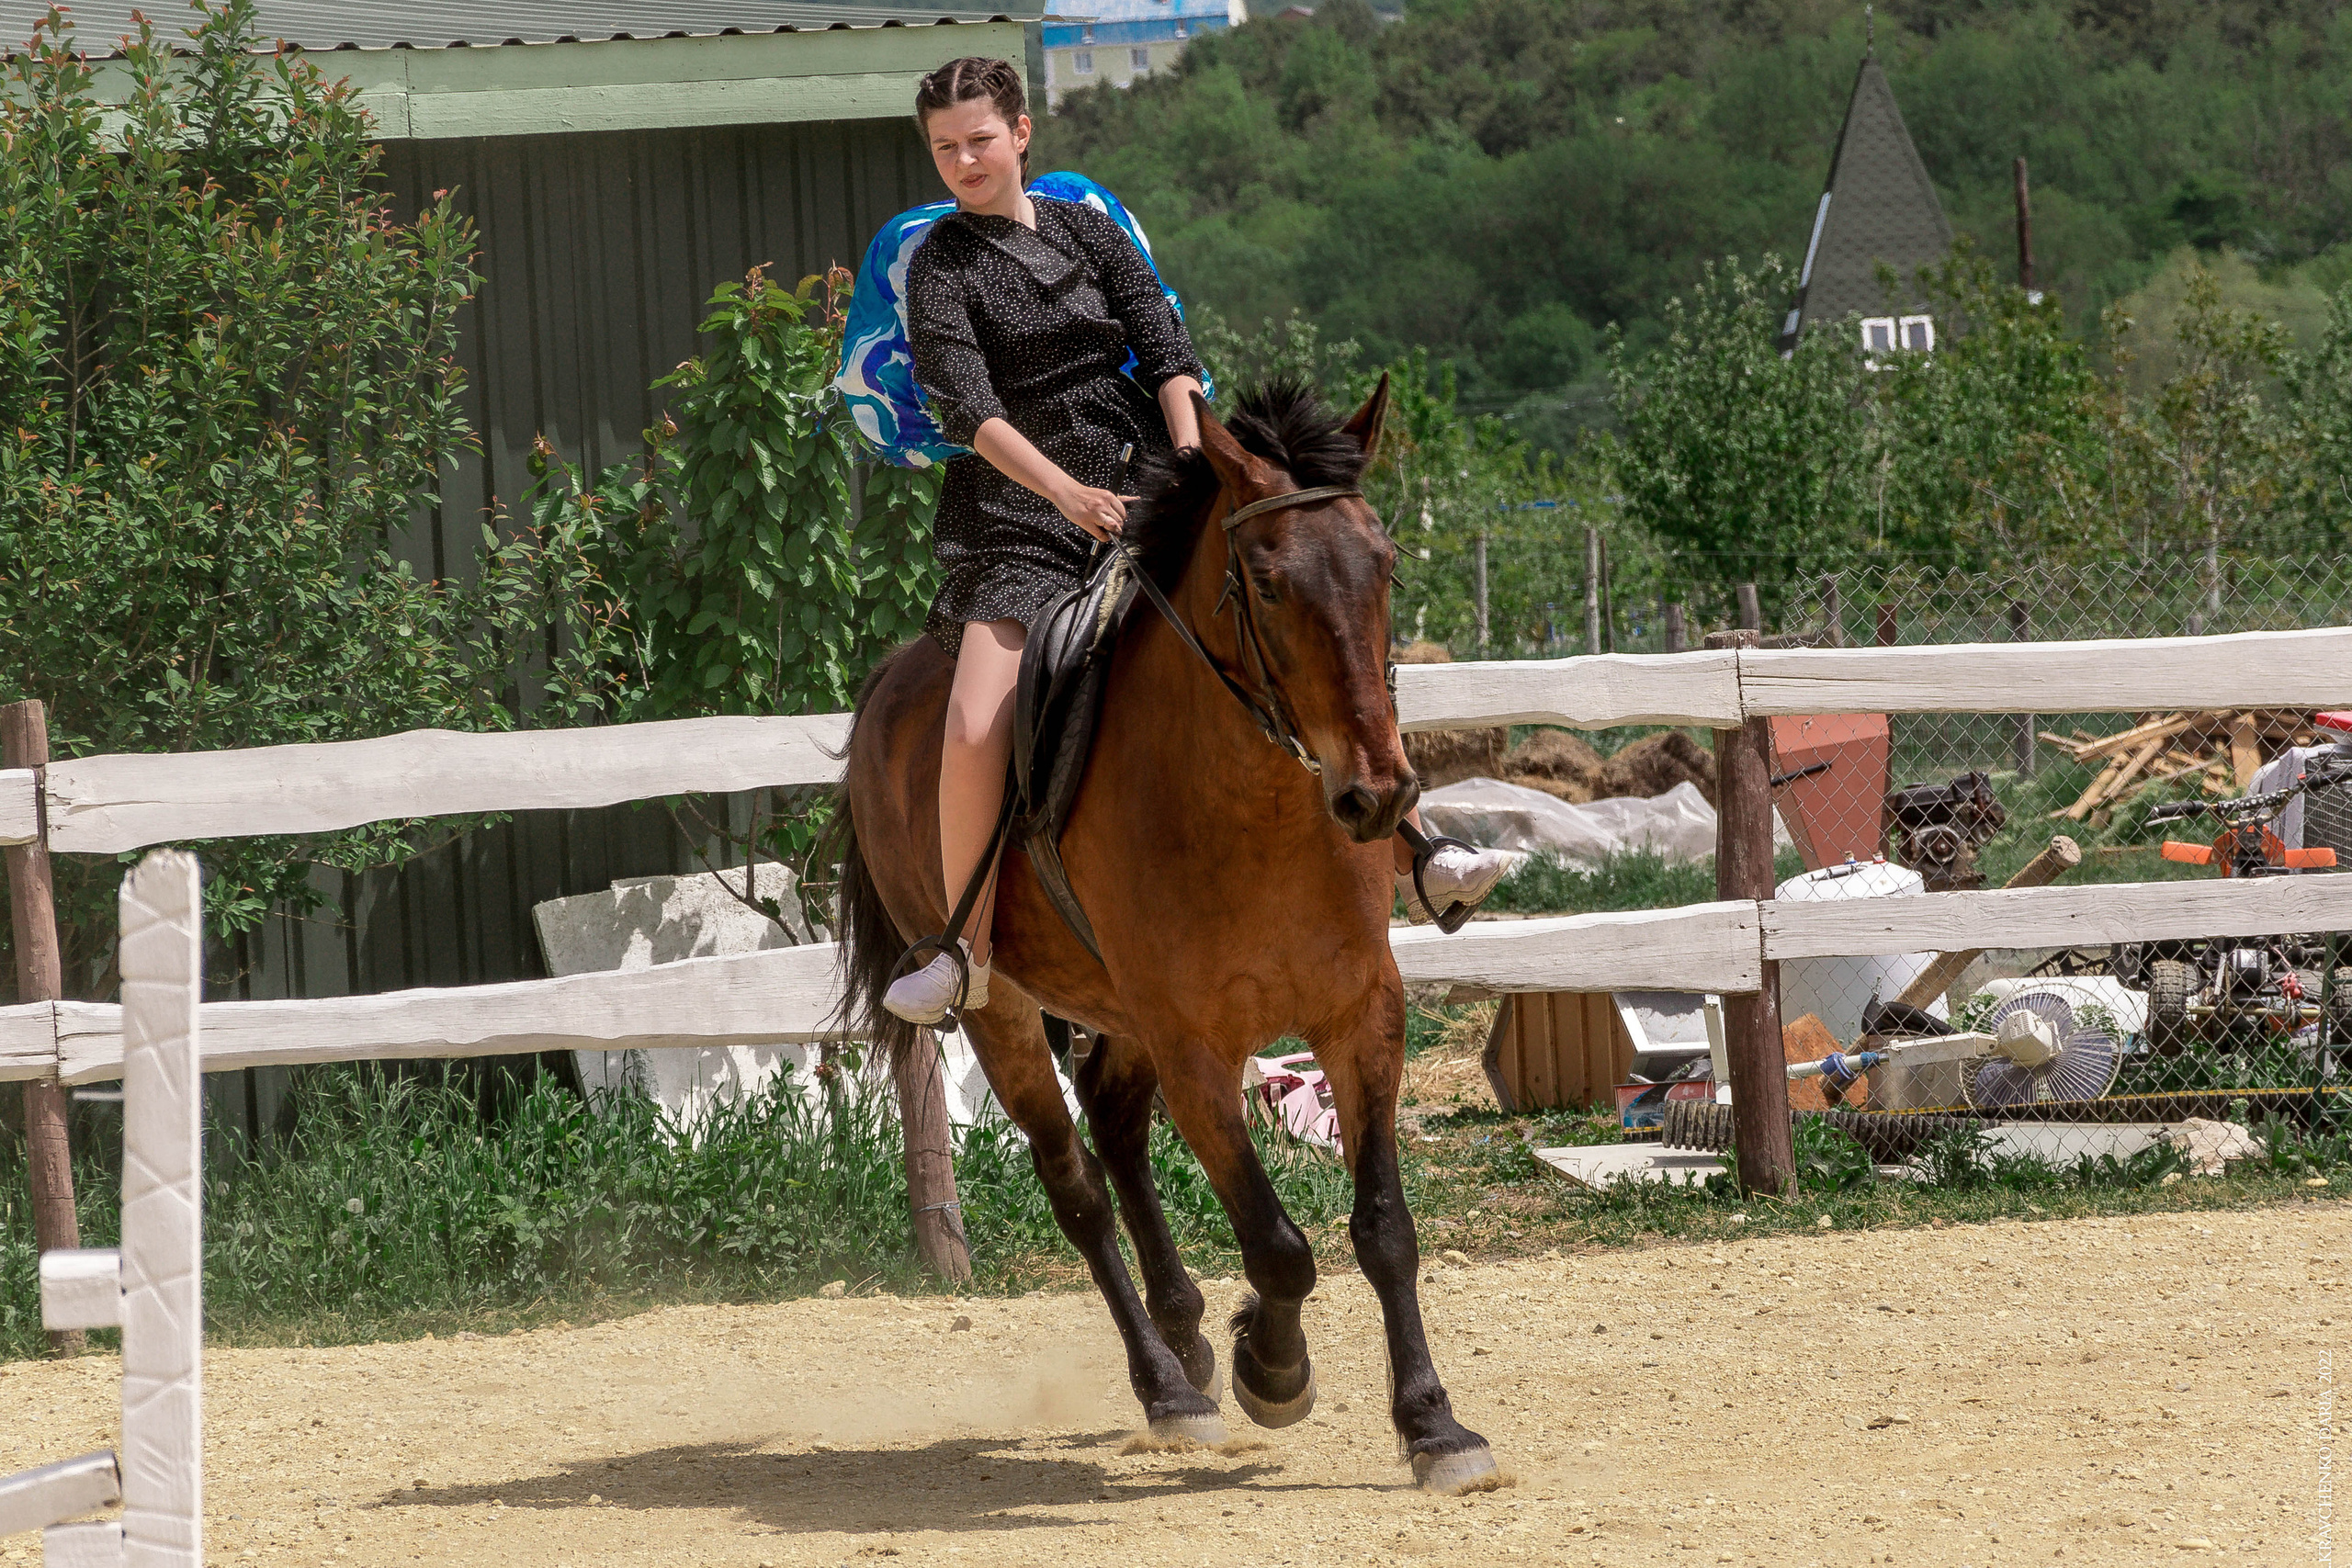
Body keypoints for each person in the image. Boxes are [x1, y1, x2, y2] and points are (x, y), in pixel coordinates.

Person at [883, 57, 1510, 1025]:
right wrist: (1066, 494)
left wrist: (1191, 464)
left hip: (1152, 474)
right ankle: (963, 947)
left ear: (1021, 134)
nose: (963, 160)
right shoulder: (941, 266)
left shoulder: (1088, 227)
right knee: (972, 720)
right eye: (943, 148)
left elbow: (1166, 350)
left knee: (1303, 616)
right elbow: (968, 411)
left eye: (978, 139)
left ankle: (1419, 851)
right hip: (1016, 513)